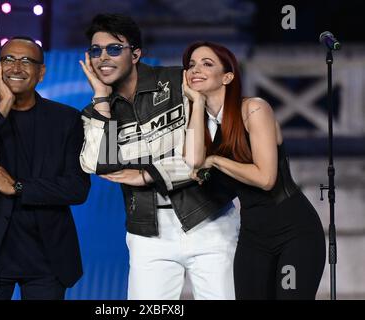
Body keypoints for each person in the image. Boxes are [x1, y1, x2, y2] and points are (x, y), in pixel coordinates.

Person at [79, 14, 239, 300]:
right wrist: (102, 97)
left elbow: (210, 148)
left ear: (136, 54)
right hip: (147, 233)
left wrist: (147, 174)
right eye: (95, 50)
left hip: (209, 219)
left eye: (114, 49)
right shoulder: (98, 111)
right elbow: (100, 165)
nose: (103, 57)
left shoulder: (179, 81)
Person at [182, 41, 326, 299]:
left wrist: (215, 161)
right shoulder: (200, 122)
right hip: (252, 236)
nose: (196, 70)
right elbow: (193, 161)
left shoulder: (254, 109)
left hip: (294, 231)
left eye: (207, 63)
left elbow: (266, 178)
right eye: (191, 65)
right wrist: (196, 103)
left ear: (227, 76)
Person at [0, 36, 90, 300]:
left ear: (41, 72)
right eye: (8, 60)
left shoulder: (67, 119)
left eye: (26, 60)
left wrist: (17, 187)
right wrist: (3, 104)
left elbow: (77, 188)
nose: (16, 67)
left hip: (47, 258)